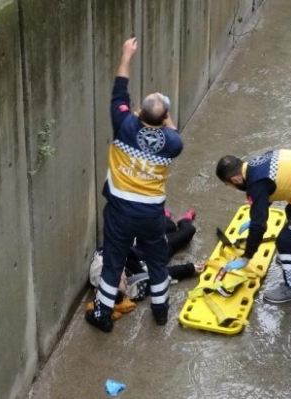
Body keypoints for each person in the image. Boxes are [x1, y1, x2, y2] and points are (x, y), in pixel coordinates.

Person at [86, 37, 183, 333]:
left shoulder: (124, 125)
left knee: (114, 260)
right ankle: (161, 310)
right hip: (151, 214)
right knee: (156, 260)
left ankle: (103, 315)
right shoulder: (173, 143)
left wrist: (127, 55)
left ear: (138, 113)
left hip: (119, 211)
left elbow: (120, 89)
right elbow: (172, 131)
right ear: (165, 117)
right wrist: (164, 117)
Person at [215, 149, 291, 303]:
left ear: (235, 179)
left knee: (286, 241)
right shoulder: (256, 164)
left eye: (229, 185)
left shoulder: (255, 184)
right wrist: (257, 216)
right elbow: (270, 186)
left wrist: (246, 257)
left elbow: (259, 227)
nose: (233, 188)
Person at [88, 208, 205, 302]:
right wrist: (190, 268)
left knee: (167, 227)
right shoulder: (133, 289)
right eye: (123, 282)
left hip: (140, 245)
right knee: (188, 231)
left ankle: (164, 217)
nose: (124, 277)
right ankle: (183, 221)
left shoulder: (102, 263)